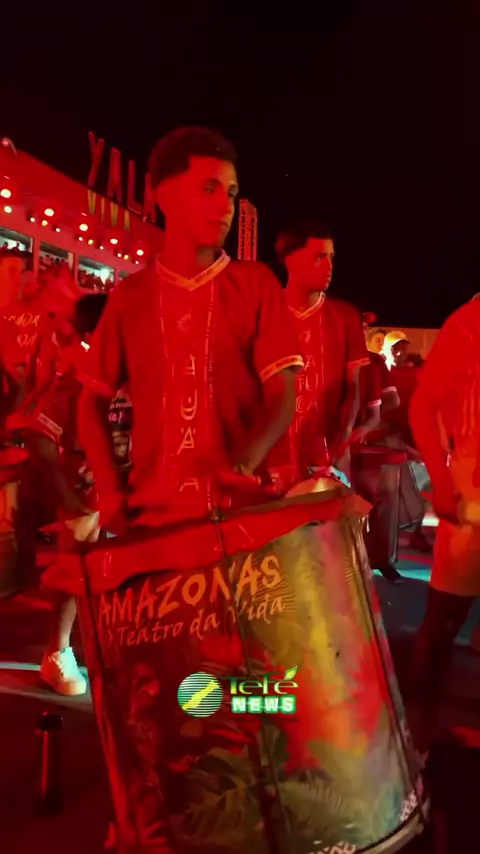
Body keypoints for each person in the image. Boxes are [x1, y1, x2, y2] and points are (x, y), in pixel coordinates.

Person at [78, 127, 303, 531]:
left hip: (242, 515)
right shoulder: (131, 297)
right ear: (162, 196)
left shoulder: (255, 285)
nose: (225, 206)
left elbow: (282, 393)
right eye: (208, 189)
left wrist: (245, 462)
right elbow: (91, 400)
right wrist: (109, 489)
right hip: (154, 518)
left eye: (231, 194)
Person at [23, 294, 108, 695]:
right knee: (75, 573)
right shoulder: (74, 384)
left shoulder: (139, 377)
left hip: (126, 496)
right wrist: (67, 494)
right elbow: (39, 437)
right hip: (85, 497)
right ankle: (57, 653)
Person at [409, 297, 480, 754]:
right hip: (473, 485)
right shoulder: (469, 324)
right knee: (444, 617)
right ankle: (416, 735)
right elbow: (423, 404)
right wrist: (439, 478)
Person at [272, 220, 369, 481]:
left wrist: (342, 440)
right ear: (291, 261)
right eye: (319, 257)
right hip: (273, 460)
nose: (329, 267)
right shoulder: (266, 311)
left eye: (331, 258)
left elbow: (353, 388)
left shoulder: (344, 316)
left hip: (328, 456)